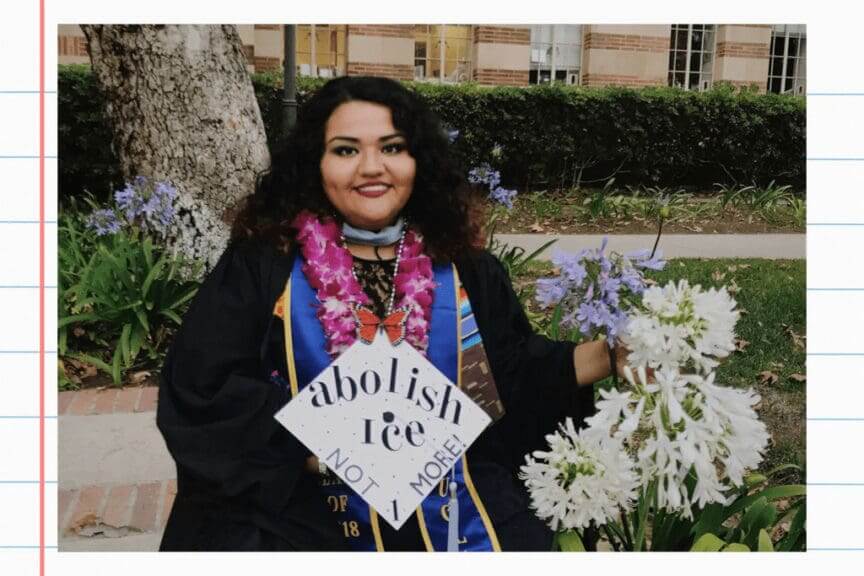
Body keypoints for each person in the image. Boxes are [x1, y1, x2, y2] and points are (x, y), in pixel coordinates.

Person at [156, 76, 629, 552]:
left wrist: (613, 354)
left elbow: (511, 377)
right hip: (305, 513)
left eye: (392, 148)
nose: (371, 168)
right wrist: (316, 451)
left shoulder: (464, 267)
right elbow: (204, 385)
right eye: (345, 150)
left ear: (417, 160)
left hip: (454, 506)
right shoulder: (265, 265)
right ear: (314, 164)